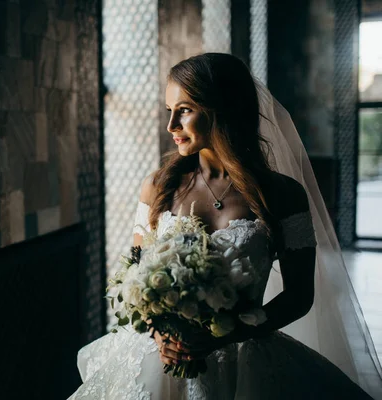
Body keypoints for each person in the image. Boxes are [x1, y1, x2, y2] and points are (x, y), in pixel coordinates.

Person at [67, 53, 381, 399]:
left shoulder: (283, 196)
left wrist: (225, 335)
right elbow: (135, 280)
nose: (171, 125)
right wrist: (161, 335)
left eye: (184, 109)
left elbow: (299, 296)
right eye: (169, 110)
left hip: (245, 366)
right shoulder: (159, 186)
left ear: (223, 108)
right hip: (160, 363)